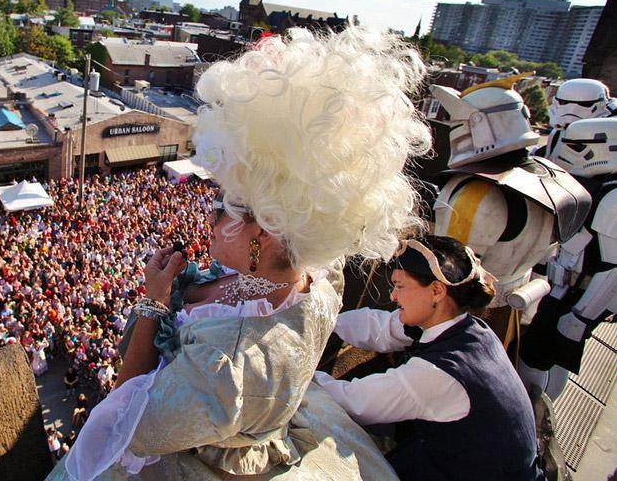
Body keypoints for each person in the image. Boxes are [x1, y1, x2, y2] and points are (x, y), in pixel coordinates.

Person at [48, 26, 433, 480]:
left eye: (225, 203)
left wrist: (153, 301)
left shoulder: (226, 370)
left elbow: (130, 423)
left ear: (266, 231)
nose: (210, 213)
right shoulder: (323, 280)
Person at [315, 235, 544, 480]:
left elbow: (354, 402)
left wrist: (298, 372)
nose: (393, 296)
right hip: (458, 453)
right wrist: (324, 319)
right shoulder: (467, 326)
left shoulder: (436, 374)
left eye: (400, 286)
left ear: (436, 291)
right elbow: (381, 328)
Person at [430, 80, 590, 342]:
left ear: (480, 124)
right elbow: (547, 256)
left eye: (458, 122)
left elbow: (450, 276)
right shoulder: (551, 178)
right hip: (510, 313)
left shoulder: (476, 194)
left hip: (460, 320)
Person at [519, 118, 617, 399]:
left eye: (576, 146)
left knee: (545, 356)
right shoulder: (598, 188)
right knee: (539, 353)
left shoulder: (612, 198)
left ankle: (539, 415)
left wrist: (581, 317)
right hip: (561, 289)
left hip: (578, 298)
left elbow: (613, 269)